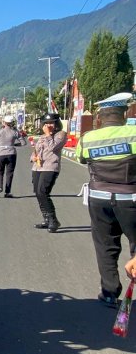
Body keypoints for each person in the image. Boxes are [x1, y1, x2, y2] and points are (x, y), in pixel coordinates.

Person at [75, 92, 136, 308]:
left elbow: (81, 158)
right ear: (124, 113)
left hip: (99, 198)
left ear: (101, 116)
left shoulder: (89, 138)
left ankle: (109, 293)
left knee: (105, 245)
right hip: (131, 198)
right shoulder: (134, 133)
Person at [30, 113, 67, 232]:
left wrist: (48, 134)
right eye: (46, 123)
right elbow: (36, 150)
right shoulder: (41, 137)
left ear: (57, 123)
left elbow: (53, 148)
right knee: (37, 192)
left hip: (50, 167)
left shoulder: (61, 135)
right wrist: (33, 158)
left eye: (51, 123)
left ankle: (53, 220)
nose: (49, 125)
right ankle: (46, 219)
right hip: (38, 167)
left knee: (43, 191)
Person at [0, 114, 26, 197]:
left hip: (0, 154)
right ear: (12, 123)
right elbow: (23, 143)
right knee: (9, 173)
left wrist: (0, 147)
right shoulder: (15, 132)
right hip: (11, 153)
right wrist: (15, 145)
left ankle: (0, 187)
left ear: (4, 123)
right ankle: (7, 192)